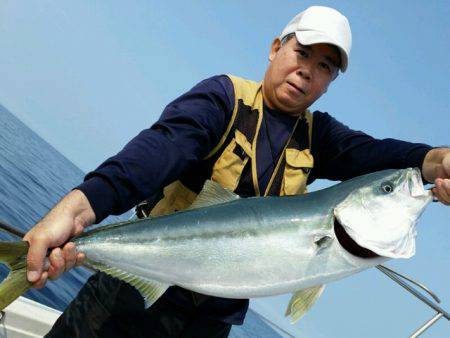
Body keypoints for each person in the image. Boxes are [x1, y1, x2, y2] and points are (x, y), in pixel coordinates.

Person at [23, 6, 449, 338]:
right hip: (134, 292)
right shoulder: (223, 99)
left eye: (324, 67)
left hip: (213, 320)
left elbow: (385, 156)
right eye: (302, 53)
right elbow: (154, 154)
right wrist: (78, 210)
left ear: (330, 83)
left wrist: (440, 162)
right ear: (275, 47)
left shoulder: (320, 137)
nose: (307, 71)